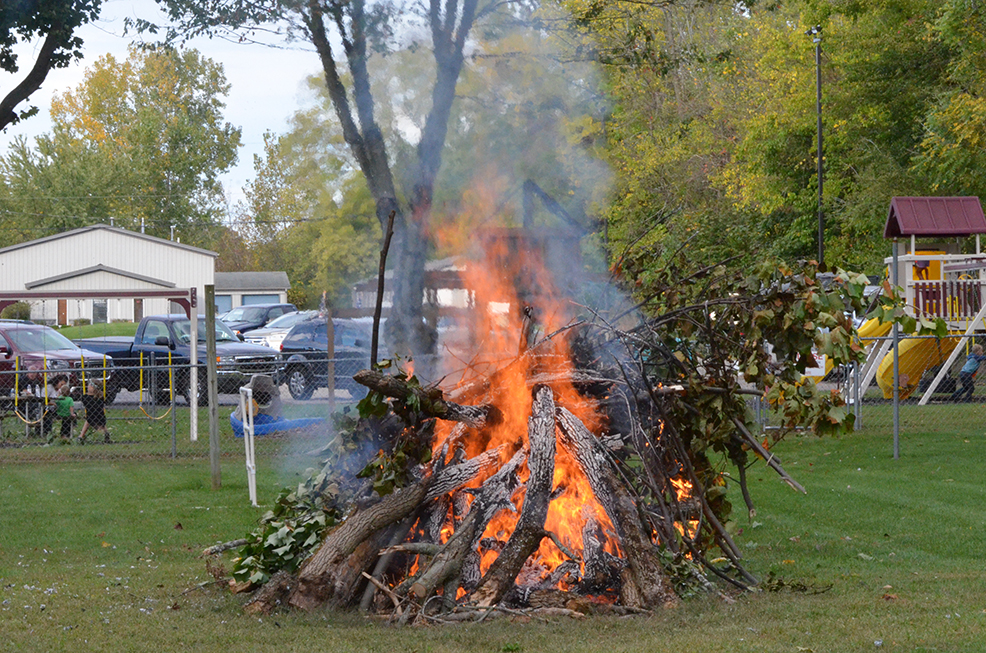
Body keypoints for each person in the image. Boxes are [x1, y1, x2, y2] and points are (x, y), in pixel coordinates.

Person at [51, 376, 75, 444]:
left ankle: (62, 434)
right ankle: (67, 434)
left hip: (60, 413)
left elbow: (56, 402)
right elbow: (71, 407)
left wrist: (58, 394)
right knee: (68, 421)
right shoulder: (70, 399)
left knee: (64, 422)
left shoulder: (60, 398)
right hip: (67, 414)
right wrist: (72, 413)